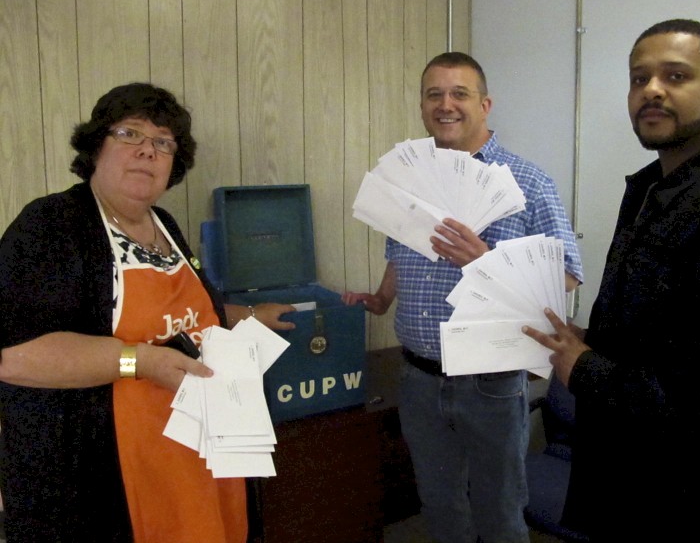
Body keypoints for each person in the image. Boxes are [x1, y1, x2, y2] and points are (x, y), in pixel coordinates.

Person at [524, 19, 700, 541]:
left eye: (676, 76)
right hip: (631, 490)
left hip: (693, 510)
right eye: (639, 79)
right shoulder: (657, 189)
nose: (651, 90)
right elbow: (669, 335)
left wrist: (589, 372)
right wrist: (593, 345)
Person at [0, 83, 296, 542]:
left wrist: (248, 315)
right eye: (129, 134)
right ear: (96, 145)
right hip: (107, 468)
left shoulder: (164, 224)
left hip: (197, 449)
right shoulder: (52, 225)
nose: (147, 151)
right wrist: (139, 362)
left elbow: (193, 315)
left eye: (163, 142)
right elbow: (15, 356)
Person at [344, 52, 583, 543]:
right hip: (419, 379)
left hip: (492, 382)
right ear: (422, 105)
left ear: (485, 104)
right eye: (434, 94)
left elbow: (567, 276)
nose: (445, 105)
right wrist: (382, 298)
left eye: (459, 94)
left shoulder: (529, 182)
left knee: (499, 511)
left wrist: (485, 260)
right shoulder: (407, 177)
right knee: (440, 504)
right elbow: (399, 251)